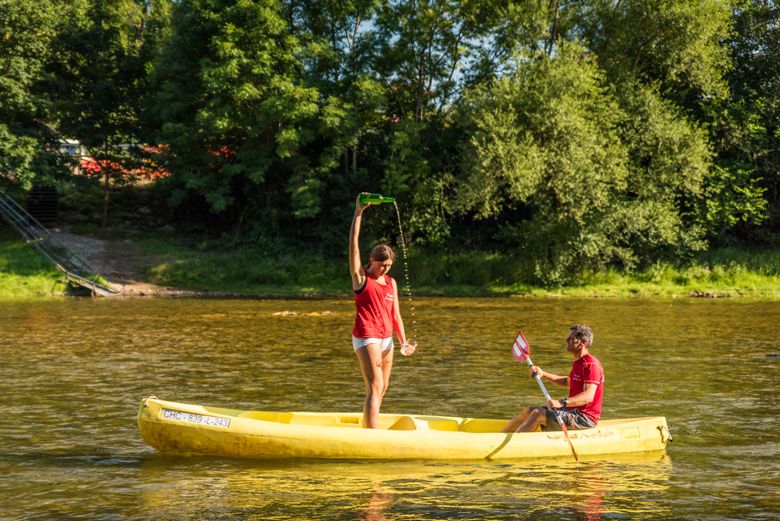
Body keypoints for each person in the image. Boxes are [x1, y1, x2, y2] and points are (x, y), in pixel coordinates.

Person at [349, 194, 416, 429]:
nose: (385, 269)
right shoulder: (361, 278)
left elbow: (395, 315)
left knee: (383, 387)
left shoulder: (391, 282)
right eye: (381, 265)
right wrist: (359, 212)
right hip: (367, 335)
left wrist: (403, 341)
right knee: (374, 385)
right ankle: (371, 435)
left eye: (389, 266)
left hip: (387, 338)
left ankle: (369, 425)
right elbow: (354, 248)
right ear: (372, 260)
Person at [502, 324, 604, 433]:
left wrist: (562, 402)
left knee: (538, 413)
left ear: (583, 342)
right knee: (529, 411)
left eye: (571, 338)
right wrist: (543, 374)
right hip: (571, 411)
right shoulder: (578, 363)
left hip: (584, 418)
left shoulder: (591, 365)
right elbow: (567, 381)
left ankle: (515, 444)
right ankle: (499, 437)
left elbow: (588, 396)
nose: (567, 340)